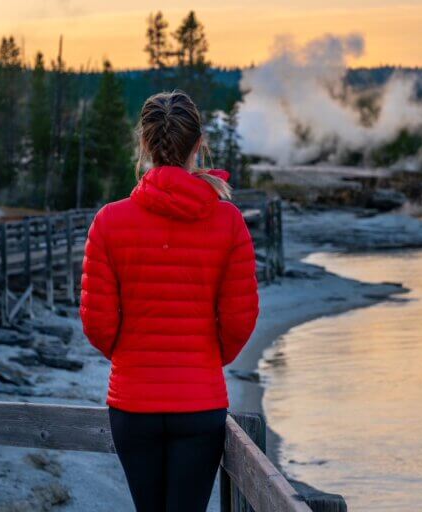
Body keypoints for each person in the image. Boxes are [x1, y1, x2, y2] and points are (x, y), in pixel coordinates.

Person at [79, 90, 259, 511]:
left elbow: (97, 323)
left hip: (132, 403)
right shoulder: (229, 221)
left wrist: (132, 355)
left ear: (143, 143)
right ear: (198, 145)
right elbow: (240, 319)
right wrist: (206, 359)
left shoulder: (109, 221)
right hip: (200, 402)